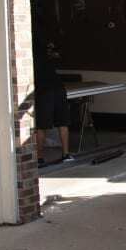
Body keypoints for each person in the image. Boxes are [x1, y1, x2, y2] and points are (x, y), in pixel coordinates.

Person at [32, 31, 73, 166]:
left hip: (44, 91)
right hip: (59, 88)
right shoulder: (49, 54)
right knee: (62, 123)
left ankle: (39, 158)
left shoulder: (32, 55)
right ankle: (66, 154)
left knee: (41, 126)